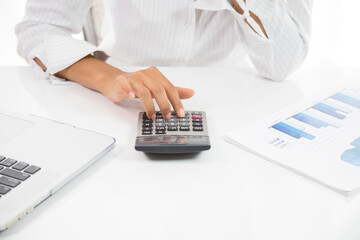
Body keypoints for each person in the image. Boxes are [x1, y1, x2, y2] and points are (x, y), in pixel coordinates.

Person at [16, 0, 313, 120]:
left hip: (235, 106)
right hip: (123, 107)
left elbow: (283, 63)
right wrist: (110, 77)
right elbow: (38, 28)